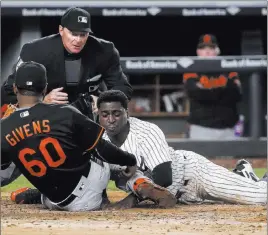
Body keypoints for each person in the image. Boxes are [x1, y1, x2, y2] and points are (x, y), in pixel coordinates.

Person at [11, 90, 267, 207]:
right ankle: (242, 173)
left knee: (260, 198)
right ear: (97, 116)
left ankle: (249, 177)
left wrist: (133, 200)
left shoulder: (146, 131)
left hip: (193, 175)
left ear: (127, 113)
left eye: (116, 113)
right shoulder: (98, 141)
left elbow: (165, 178)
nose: (110, 119)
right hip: (180, 198)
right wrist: (38, 193)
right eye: (104, 114)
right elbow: (74, 172)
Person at [1, 62, 176, 211]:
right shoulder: (64, 113)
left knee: (18, 156)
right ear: (45, 88)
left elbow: (4, 172)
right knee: (103, 153)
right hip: (89, 193)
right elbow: (103, 149)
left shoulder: (3, 127)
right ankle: (140, 184)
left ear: (15, 88)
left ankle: (37, 194)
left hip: (56, 203)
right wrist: (129, 159)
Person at [1, 6, 132, 118]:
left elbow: (123, 88)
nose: (78, 40)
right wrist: (41, 101)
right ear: (61, 30)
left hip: (88, 118)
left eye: (83, 34)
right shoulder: (36, 51)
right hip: (45, 116)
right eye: (74, 34)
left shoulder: (105, 51)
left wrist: (103, 101)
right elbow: (8, 92)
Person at [183, 34, 242, 140]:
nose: (207, 51)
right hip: (201, 128)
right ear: (198, 51)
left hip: (228, 129)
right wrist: (223, 89)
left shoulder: (229, 68)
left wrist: (207, 90)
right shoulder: (191, 70)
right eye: (203, 48)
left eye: (211, 48)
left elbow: (236, 94)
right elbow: (195, 94)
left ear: (217, 51)